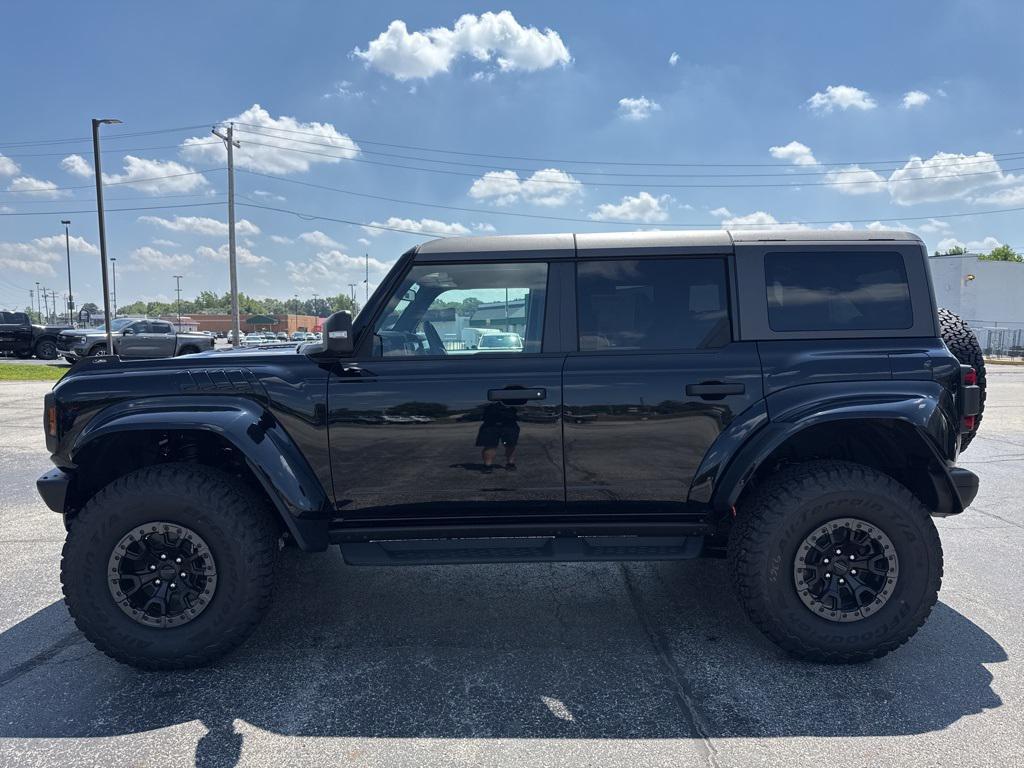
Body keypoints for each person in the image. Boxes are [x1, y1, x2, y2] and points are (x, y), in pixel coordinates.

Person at [475, 400, 520, 472]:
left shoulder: (512, 398)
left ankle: (510, 463)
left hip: (509, 424)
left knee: (510, 445)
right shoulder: (489, 399)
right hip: (490, 425)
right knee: (490, 445)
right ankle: (487, 466)